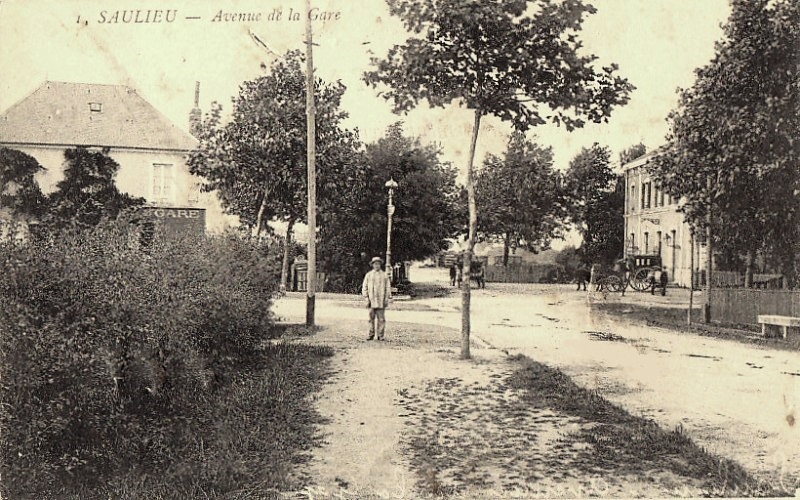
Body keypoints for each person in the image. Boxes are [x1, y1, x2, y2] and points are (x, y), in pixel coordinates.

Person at [362, 256, 391, 341]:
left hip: (381, 300)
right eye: (375, 264)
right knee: (371, 318)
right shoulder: (369, 275)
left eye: (378, 264)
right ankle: (371, 334)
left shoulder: (384, 275)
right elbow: (364, 287)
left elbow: (387, 288)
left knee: (381, 319)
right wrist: (366, 298)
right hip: (371, 300)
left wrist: (386, 298)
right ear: (372, 265)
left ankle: (380, 335)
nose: (377, 265)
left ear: (380, 265)